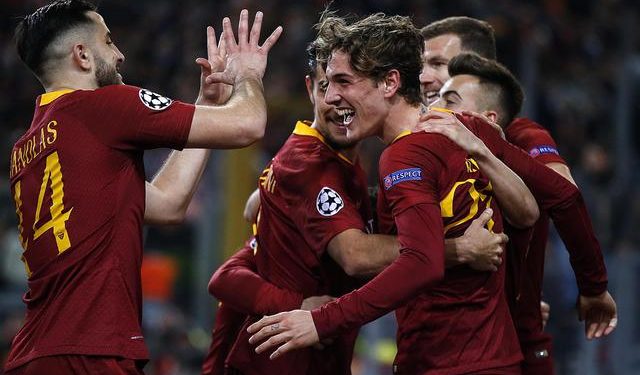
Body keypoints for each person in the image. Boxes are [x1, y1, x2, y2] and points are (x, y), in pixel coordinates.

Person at [247, 12, 616, 375]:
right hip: (500, 357)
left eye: (344, 82)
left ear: (390, 83)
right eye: (327, 85)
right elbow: (563, 197)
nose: (332, 98)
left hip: (440, 362)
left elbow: (420, 262)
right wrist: (594, 287)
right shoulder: (467, 127)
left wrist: (322, 321)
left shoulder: (403, 156)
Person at [203, 38, 527, 374]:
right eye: (328, 85)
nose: (339, 99)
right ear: (311, 89)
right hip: (277, 361)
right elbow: (356, 256)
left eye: (348, 85)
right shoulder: (308, 163)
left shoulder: (345, 167)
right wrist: (457, 249)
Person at [5, 0, 282, 373]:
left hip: (35, 354)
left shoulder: (28, 147)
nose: (119, 55)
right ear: (82, 55)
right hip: (89, 352)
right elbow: (247, 124)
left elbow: (167, 204)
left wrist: (205, 102)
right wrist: (248, 75)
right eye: (109, 41)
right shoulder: (102, 107)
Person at [418, 16, 610, 374]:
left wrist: (593, 286)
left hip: (510, 351)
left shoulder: (519, 134)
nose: (424, 76)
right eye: (421, 65)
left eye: (438, 64)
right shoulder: (417, 139)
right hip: (431, 349)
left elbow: (564, 194)